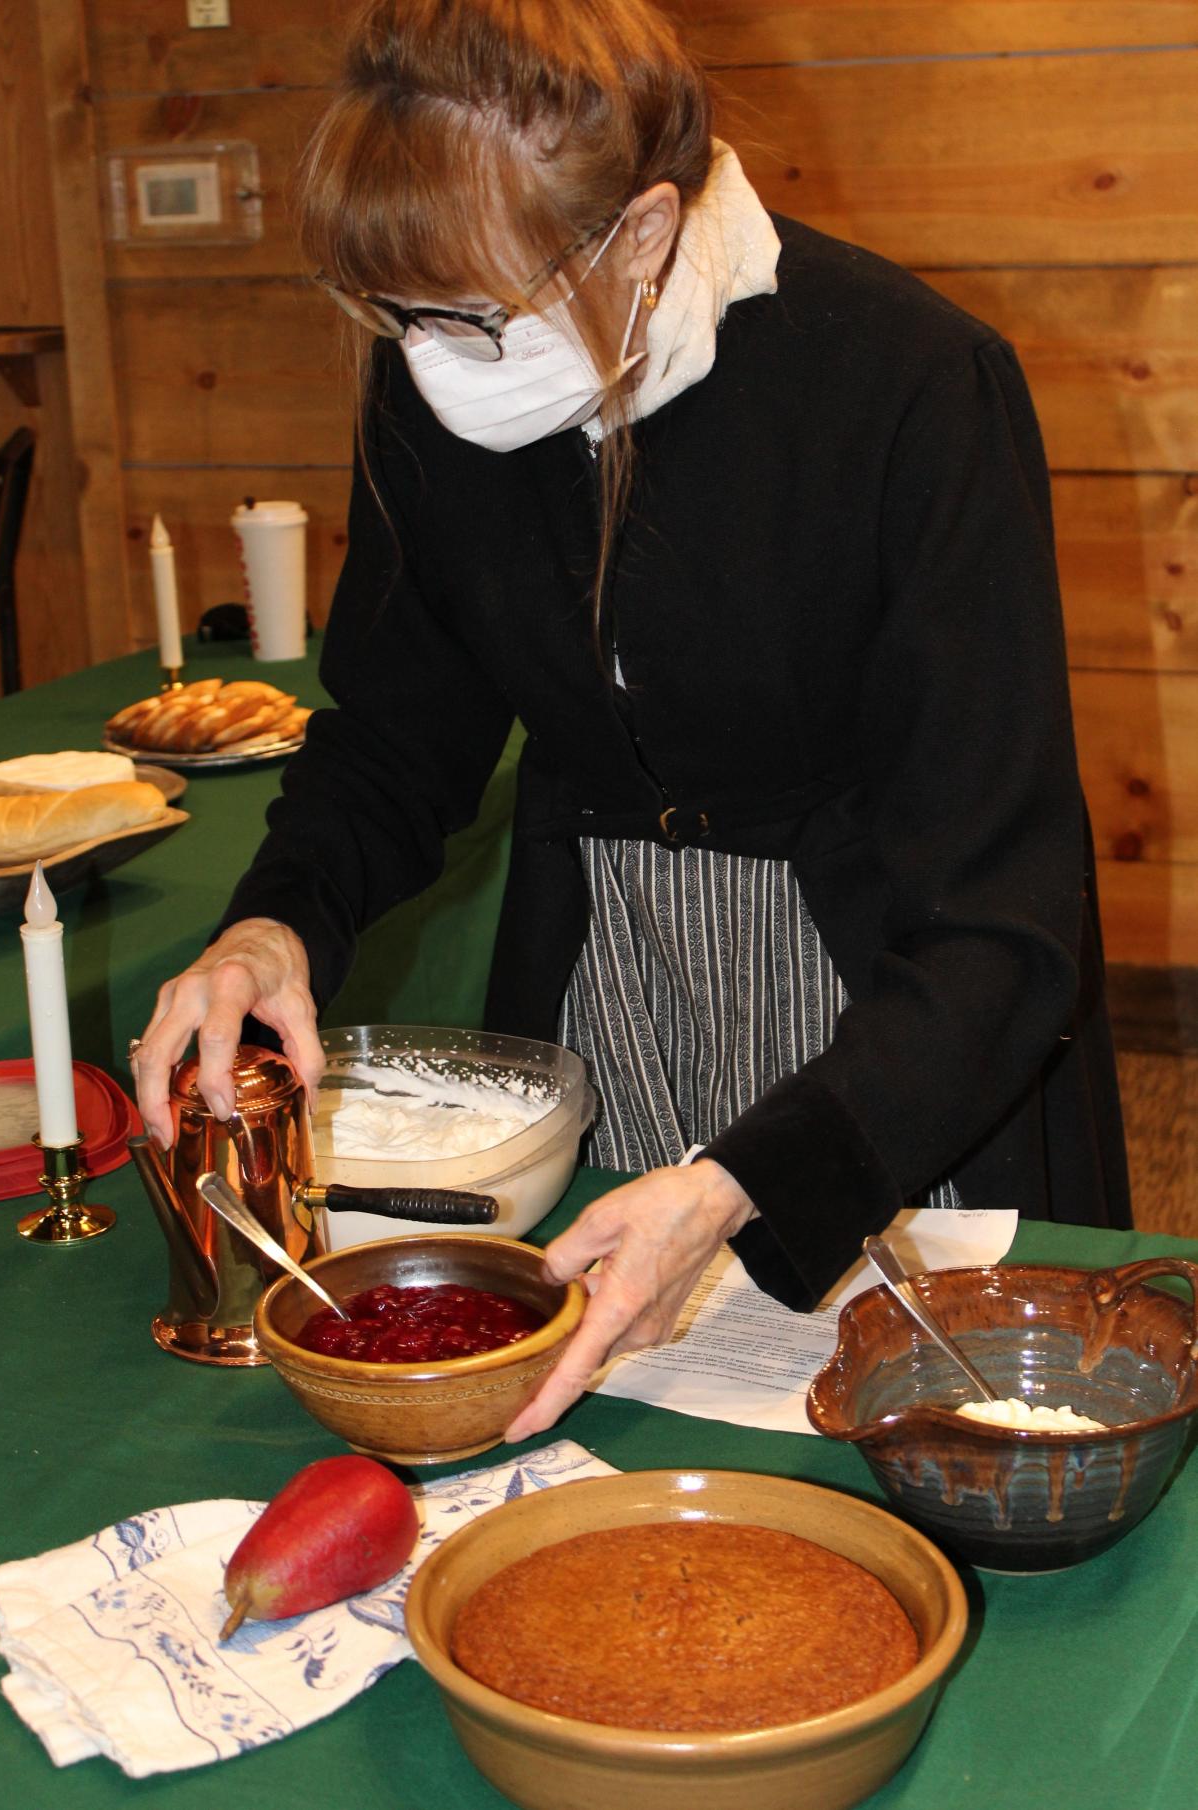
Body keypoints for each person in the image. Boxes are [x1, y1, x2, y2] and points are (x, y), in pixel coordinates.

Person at [133, 0, 1130, 1441]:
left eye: (471, 314)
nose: (431, 358)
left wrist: (742, 1186)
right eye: (393, 317)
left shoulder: (908, 389)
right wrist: (273, 924)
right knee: (598, 1456)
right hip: (611, 986)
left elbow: (1003, 917)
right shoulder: (440, 373)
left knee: (884, 1456)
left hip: (889, 1033)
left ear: (645, 233)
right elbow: (403, 732)